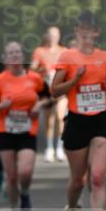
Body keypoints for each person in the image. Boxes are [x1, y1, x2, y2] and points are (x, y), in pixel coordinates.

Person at [51, 10, 106, 211]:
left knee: (97, 177)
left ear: (96, 32)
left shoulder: (105, 57)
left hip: (100, 121)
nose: (85, 33)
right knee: (78, 180)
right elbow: (54, 91)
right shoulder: (68, 57)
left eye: (90, 29)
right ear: (76, 31)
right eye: (81, 29)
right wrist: (74, 81)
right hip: (76, 122)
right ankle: (71, 210)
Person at [0, 41, 49, 211]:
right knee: (11, 177)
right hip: (5, 131)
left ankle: (25, 192)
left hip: (27, 131)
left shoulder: (35, 78)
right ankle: (14, 209)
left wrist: (39, 105)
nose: (14, 56)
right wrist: (2, 106)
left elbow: (48, 96)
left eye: (17, 52)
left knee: (25, 172)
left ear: (23, 56)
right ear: (5, 58)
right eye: (11, 53)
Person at [32, 25, 67, 161]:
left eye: (55, 35)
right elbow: (33, 68)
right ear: (47, 36)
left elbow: (70, 68)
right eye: (51, 35)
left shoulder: (64, 51)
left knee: (60, 117)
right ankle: (49, 148)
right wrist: (43, 70)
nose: (53, 37)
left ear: (59, 36)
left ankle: (60, 147)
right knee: (49, 120)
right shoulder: (40, 51)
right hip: (46, 89)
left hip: (60, 88)